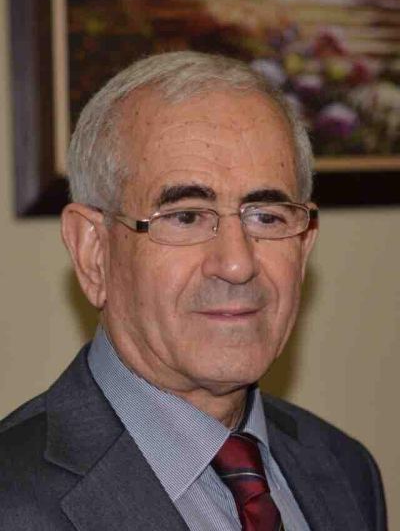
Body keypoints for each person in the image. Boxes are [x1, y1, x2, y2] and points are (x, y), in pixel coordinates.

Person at [0, 51, 386, 530]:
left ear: (304, 247)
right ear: (93, 251)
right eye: (185, 217)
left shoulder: (346, 470)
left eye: (266, 217)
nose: (237, 264)